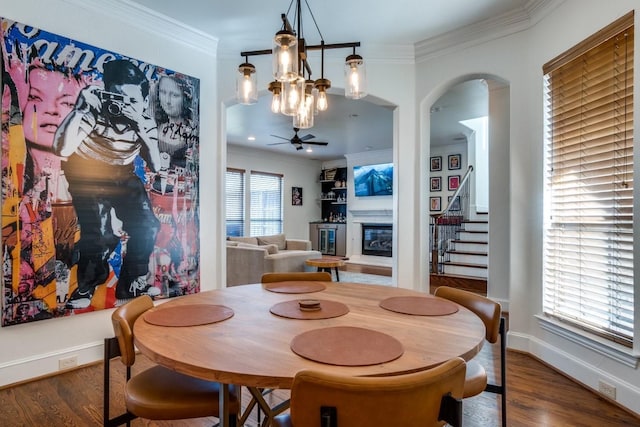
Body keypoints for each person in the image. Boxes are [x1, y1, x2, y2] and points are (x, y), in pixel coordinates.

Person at [53, 59, 161, 309]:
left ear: (144, 101)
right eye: (119, 99)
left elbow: (156, 166)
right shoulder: (95, 111)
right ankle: (89, 283)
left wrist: (142, 131)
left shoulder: (144, 121)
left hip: (122, 172)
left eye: (132, 102)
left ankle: (131, 281)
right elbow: (62, 148)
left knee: (147, 225)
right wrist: (80, 110)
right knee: (99, 233)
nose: (124, 108)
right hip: (86, 171)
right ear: (108, 92)